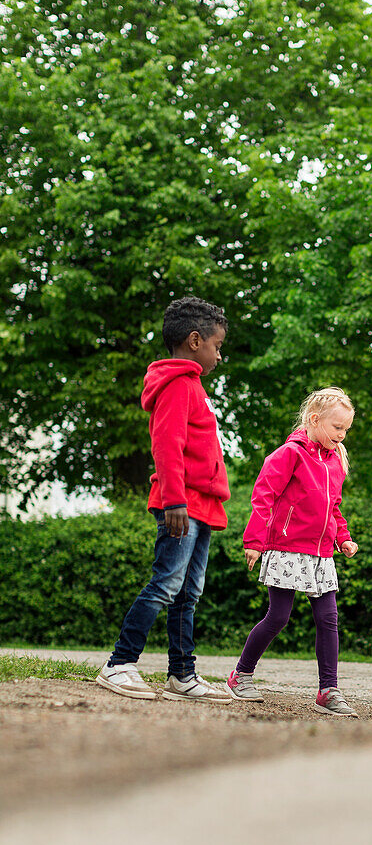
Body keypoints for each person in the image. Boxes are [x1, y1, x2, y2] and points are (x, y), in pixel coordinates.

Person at [96, 296, 232, 704]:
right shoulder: (176, 384)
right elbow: (167, 445)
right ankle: (119, 664)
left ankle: (182, 674)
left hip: (202, 504)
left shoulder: (195, 386)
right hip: (182, 504)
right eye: (216, 345)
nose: (219, 355)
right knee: (166, 585)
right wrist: (174, 501)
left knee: (189, 592)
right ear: (195, 341)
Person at [227, 387, 359, 716]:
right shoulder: (290, 454)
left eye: (346, 429)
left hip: (321, 554)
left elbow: (334, 507)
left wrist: (342, 537)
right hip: (286, 548)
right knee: (278, 617)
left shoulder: (335, 461)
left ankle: (328, 690)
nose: (342, 435)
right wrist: (254, 541)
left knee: (329, 618)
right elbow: (264, 496)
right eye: (337, 428)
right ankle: (240, 675)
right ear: (314, 420)